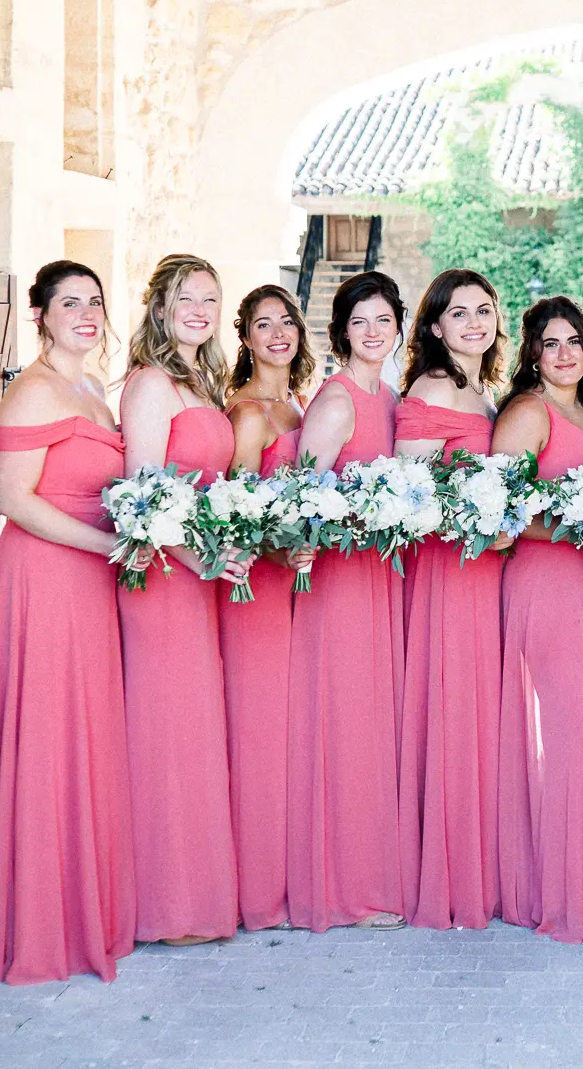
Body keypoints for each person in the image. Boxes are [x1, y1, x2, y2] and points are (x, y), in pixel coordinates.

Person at [0, 261, 135, 983]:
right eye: (70, 303)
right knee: (47, 737)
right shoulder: (31, 392)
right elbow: (15, 500)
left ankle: (84, 907)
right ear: (41, 313)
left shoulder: (93, 389)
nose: (86, 314)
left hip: (90, 577)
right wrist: (110, 545)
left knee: (85, 735)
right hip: (45, 576)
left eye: (95, 301)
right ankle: (39, 924)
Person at [117, 253, 246, 945]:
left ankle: (194, 896)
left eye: (210, 299)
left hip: (197, 578)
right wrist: (202, 557)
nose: (200, 310)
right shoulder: (149, 384)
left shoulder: (203, 382)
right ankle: (167, 906)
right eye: (186, 298)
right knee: (167, 733)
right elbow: (140, 499)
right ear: (160, 307)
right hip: (162, 578)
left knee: (192, 730)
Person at [494, 297, 583, 944]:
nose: (565, 353)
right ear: (532, 353)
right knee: (574, 735)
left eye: (574, 340)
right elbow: (497, 516)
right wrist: (573, 531)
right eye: (551, 343)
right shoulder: (527, 412)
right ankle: (570, 903)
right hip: (549, 587)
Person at [287, 271, 410, 932]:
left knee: (377, 721)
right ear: (342, 332)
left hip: (381, 578)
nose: (372, 332)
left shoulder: (390, 397)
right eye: (359, 322)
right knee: (346, 721)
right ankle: (346, 887)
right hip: (339, 580)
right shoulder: (336, 402)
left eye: (382, 321)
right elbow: (302, 502)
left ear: (397, 328)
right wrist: (355, 522)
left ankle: (375, 870)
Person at [397, 269, 510, 930]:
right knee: (453, 708)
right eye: (458, 312)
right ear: (435, 327)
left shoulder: (485, 391)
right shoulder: (434, 386)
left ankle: (480, 862)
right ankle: (449, 873)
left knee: (481, 713)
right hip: (450, 570)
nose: (474, 321)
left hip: (485, 569)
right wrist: (481, 524)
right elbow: (413, 493)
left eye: (484, 309)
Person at [218, 284, 315, 931]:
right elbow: (237, 510)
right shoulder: (248, 413)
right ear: (246, 338)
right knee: (258, 733)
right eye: (263, 324)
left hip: (299, 586)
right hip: (256, 589)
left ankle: (288, 872)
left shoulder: (302, 405)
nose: (278, 332)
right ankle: (255, 892)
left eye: (286, 321)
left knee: (290, 734)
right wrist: (282, 552)